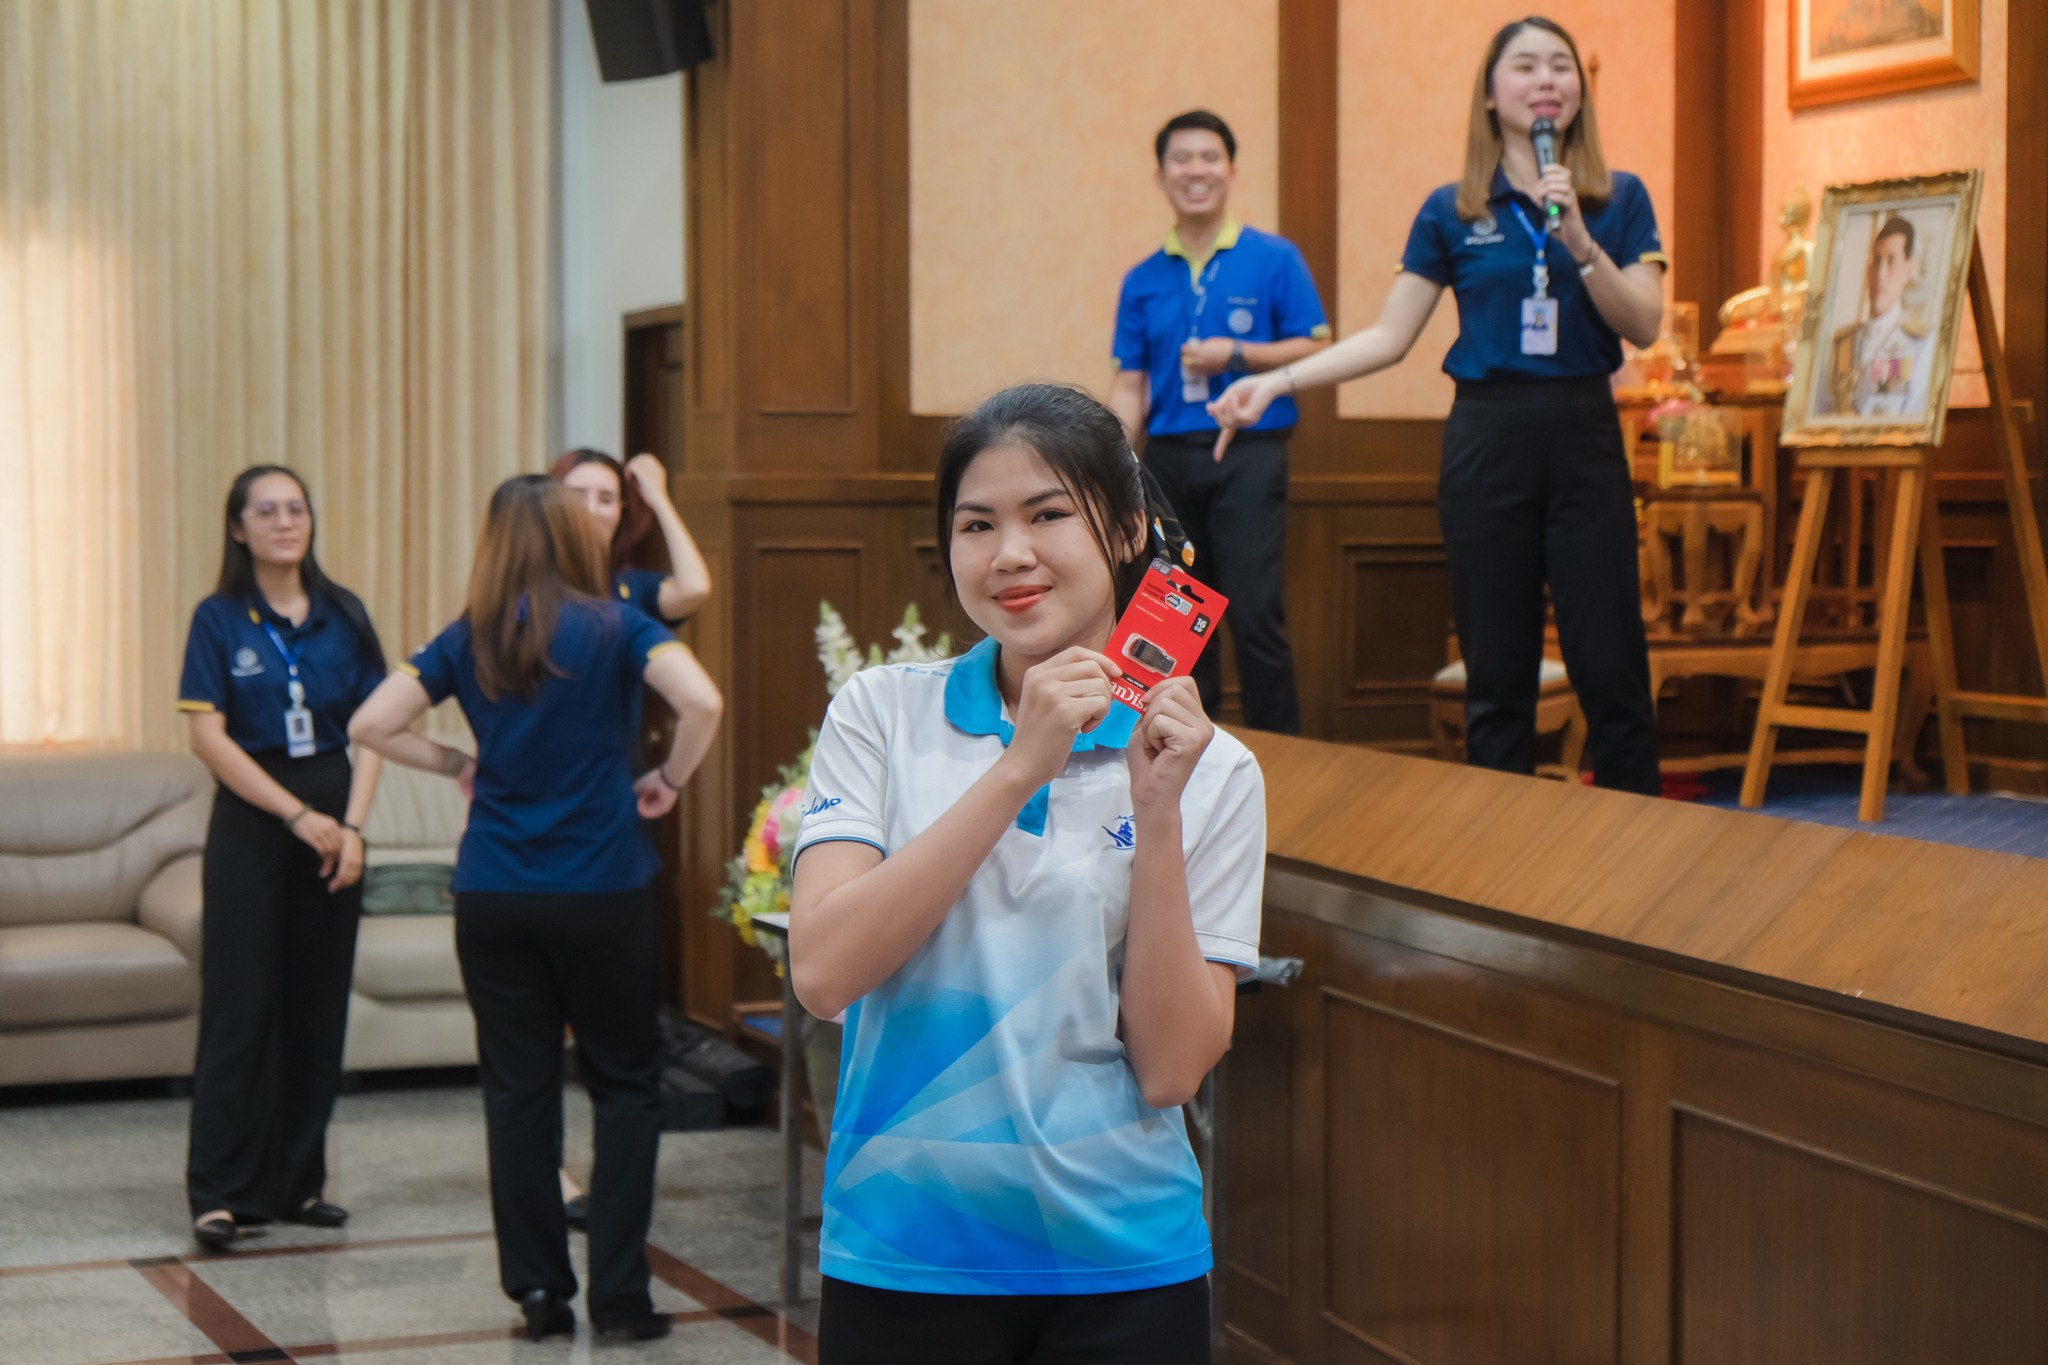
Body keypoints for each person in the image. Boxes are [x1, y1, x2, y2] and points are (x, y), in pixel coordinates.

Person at [789, 383, 1265, 1365]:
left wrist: (1157, 813)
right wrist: (1018, 768)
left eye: (1046, 514)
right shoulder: (881, 714)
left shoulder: (1210, 767)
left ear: (1127, 527)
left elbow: (1173, 1067)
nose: (1008, 553)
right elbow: (824, 973)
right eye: (976, 524)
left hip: (1126, 1269)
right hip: (903, 1254)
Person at [1212, 16, 1667, 794]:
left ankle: (1644, 878)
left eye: (1561, 66)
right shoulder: (1451, 209)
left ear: (1579, 92)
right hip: (1486, 443)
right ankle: (1499, 882)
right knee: (1498, 675)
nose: (1547, 79)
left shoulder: (1616, 196)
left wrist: (1583, 245)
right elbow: (1389, 336)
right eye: (1525, 66)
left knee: (1612, 667)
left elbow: (1645, 324)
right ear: (1491, 95)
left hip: (1586, 436)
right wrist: (1276, 382)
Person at [348, 476, 723, 1343]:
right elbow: (702, 701)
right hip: (602, 890)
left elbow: (371, 721)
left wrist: (452, 764)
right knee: (626, 1089)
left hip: (493, 893)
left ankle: (540, 1295)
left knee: (518, 1093)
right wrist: (667, 779)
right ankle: (624, 1298)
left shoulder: (468, 633)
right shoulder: (620, 623)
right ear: (571, 534)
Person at [176, 466, 387, 1251]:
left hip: (337, 829)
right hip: (255, 826)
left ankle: (299, 1182)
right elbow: (207, 735)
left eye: (295, 507)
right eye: (265, 510)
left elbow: (370, 727)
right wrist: (298, 813)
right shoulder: (219, 617)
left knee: (316, 1007)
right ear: (238, 528)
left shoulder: (344, 613)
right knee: (241, 1008)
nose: (284, 521)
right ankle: (221, 1192)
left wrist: (353, 826)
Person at [1108, 109, 1330, 735]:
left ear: (1231, 170)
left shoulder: (1273, 258)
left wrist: (1234, 356)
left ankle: (1280, 757)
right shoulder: (1143, 279)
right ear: (1161, 175)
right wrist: (1107, 456)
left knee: (1255, 612)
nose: (1196, 170)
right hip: (1168, 462)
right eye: (1182, 159)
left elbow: (1316, 346)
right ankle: (1186, 754)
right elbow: (1132, 381)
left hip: (1251, 455)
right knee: (1177, 619)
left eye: (1210, 157)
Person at [551, 448, 711, 626]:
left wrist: (658, 498)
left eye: (606, 499)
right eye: (576, 496)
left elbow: (695, 588)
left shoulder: (634, 587)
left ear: (621, 510)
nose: (591, 510)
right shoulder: (528, 580)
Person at [1820, 215, 1933, 418]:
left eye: (1891, 261)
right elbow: (1822, 412)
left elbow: (1915, 419)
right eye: (1877, 260)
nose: (1880, 273)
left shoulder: (1919, 342)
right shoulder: (1843, 342)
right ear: (1868, 270)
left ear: (1908, 270)